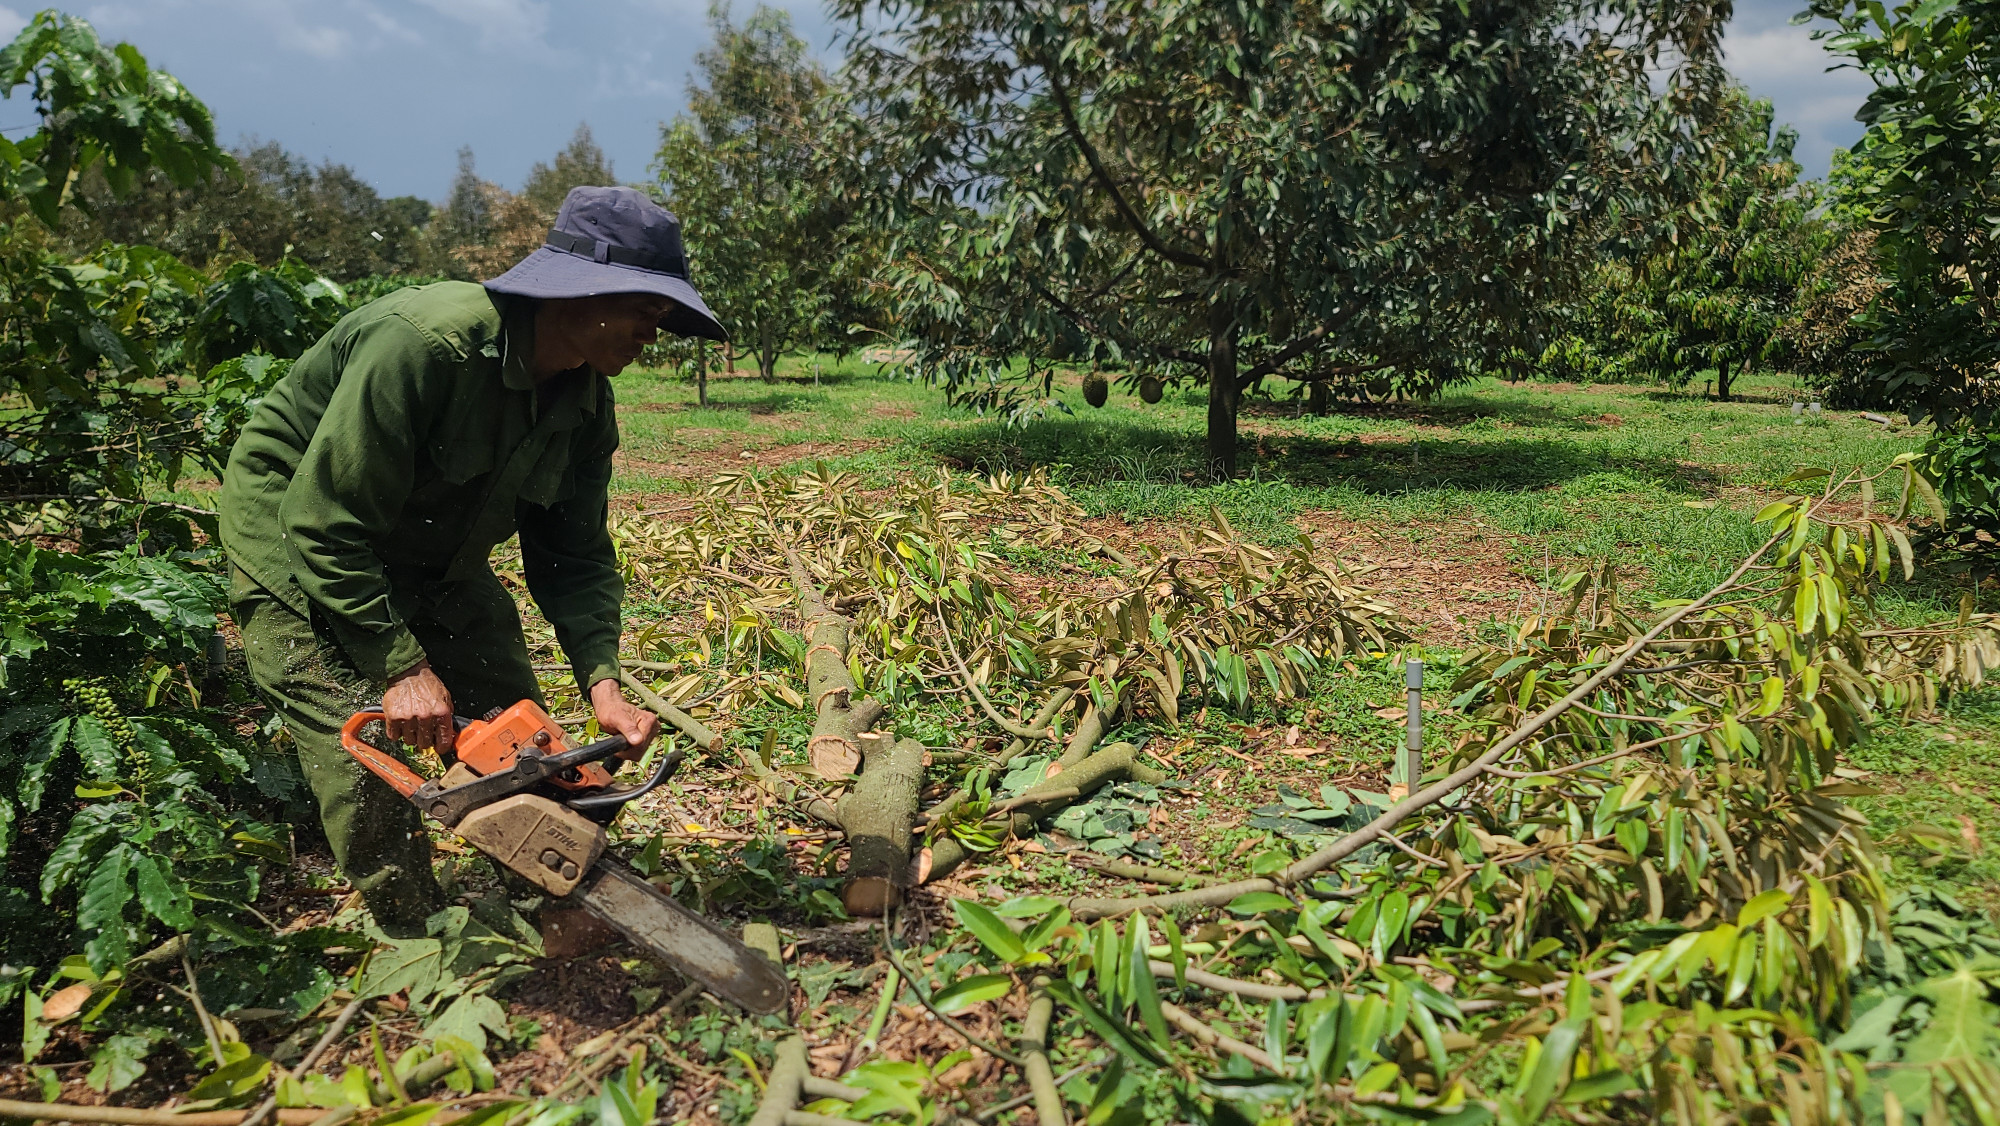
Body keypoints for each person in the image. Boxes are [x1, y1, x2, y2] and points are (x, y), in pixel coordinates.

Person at [219, 186, 726, 931]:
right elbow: (323, 519)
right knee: (355, 744)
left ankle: (544, 895)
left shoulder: (586, 401)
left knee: (526, 740)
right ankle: (413, 931)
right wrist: (400, 665)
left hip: (431, 549)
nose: (657, 333)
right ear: (584, 293)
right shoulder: (426, 346)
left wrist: (603, 677)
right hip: (300, 533)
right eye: (647, 308)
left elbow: (574, 552)